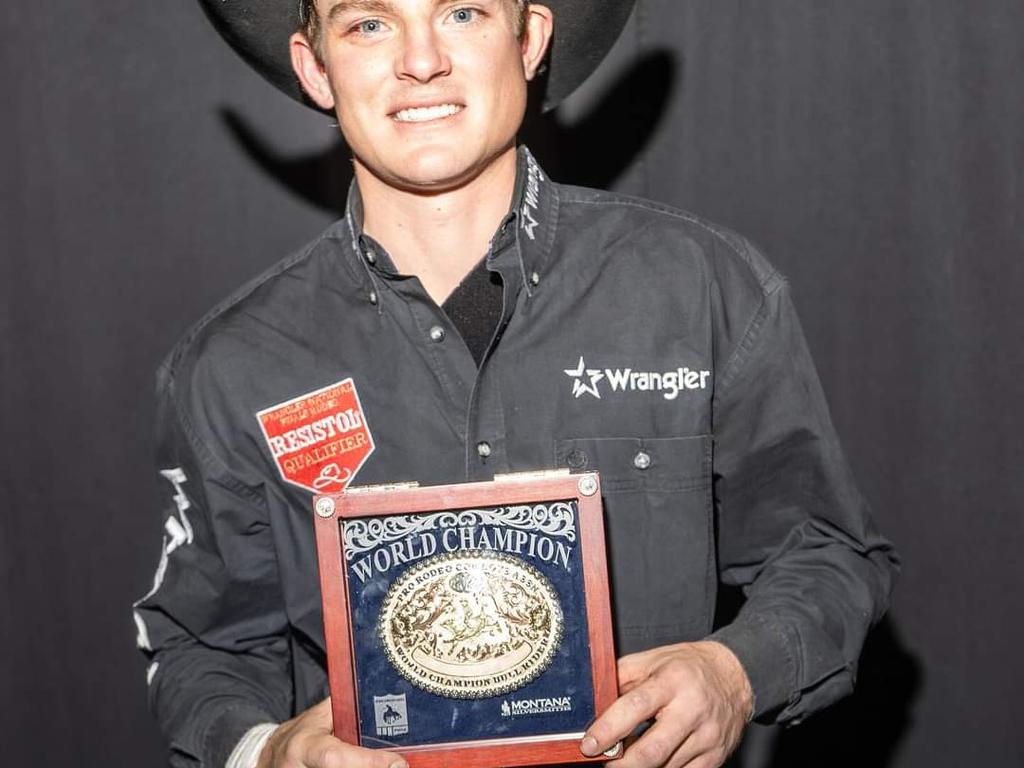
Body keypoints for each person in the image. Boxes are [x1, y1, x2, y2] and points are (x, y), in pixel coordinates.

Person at [133, 2, 898, 767]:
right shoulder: (234, 365)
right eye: (369, 24)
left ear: (529, 39)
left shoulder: (699, 289)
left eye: (461, 11)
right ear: (315, 67)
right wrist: (264, 751)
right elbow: (203, 646)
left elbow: (826, 552)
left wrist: (734, 673)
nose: (421, 59)